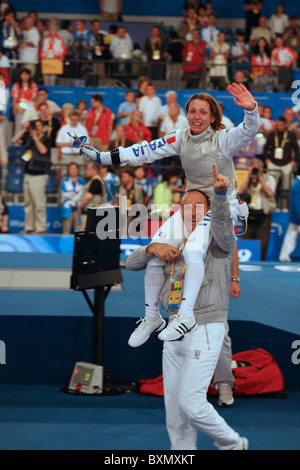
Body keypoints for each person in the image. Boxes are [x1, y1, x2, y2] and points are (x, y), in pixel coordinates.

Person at [79, 82, 260, 343]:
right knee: (156, 252)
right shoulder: (180, 137)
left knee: (193, 249)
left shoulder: (222, 139)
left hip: (221, 206)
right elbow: (141, 151)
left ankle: (185, 315)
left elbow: (248, 130)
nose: (197, 116)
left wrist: (251, 109)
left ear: (212, 118)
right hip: (194, 204)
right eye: (193, 111)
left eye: (203, 112)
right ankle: (152, 316)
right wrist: (100, 157)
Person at [126, 166, 249, 450]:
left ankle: (232, 444)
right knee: (174, 412)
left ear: (207, 211)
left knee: (191, 404)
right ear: (179, 210)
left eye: (198, 207)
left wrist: (219, 197)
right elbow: (131, 265)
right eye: (186, 206)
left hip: (204, 327)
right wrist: (152, 249)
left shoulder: (216, 236)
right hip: (172, 330)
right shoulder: (172, 234)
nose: (192, 211)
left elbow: (229, 240)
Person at [239, 158, 277, 260]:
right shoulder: (248, 179)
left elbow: (270, 192)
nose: (255, 171)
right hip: (249, 214)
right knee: (245, 239)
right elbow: (241, 191)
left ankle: (261, 262)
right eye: (253, 168)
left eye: (257, 168)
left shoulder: (269, 178)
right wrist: (249, 176)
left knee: (263, 242)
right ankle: (244, 261)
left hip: (263, 213)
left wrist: (260, 178)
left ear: (261, 168)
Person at [18, 120, 51, 234]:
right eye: (34, 127)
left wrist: (36, 138)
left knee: (38, 203)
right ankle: (29, 227)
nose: (36, 129)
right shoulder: (29, 138)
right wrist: (24, 129)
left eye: (38, 126)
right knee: (28, 203)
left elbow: (43, 150)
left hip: (39, 174)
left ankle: (40, 228)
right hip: (28, 173)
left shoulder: (46, 139)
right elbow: (14, 140)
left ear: (42, 127)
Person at [263, 116, 299, 202]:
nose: (279, 127)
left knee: (287, 185)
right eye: (278, 125)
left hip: (287, 164)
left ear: (285, 125)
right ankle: (271, 202)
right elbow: (265, 148)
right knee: (270, 184)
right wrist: (267, 160)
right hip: (273, 164)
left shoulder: (290, 135)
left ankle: (288, 203)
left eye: (281, 125)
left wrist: (294, 161)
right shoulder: (272, 135)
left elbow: (297, 149)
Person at [279, 165, 300, 262]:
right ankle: (284, 256)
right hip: (297, 216)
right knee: (291, 236)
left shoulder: (296, 182)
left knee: (291, 235)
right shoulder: (297, 184)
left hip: (296, 215)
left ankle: (284, 256)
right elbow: (296, 201)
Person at [78, 161, 107, 230]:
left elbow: (88, 197)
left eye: (88, 169)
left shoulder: (96, 181)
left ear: (94, 170)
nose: (86, 171)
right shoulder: (95, 180)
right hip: (93, 214)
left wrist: (80, 206)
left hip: (92, 215)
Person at [60, 162, 86, 234]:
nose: (73, 170)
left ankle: (78, 245)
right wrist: (76, 193)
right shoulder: (64, 180)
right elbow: (65, 194)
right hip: (67, 206)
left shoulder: (82, 181)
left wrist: (73, 194)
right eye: (71, 168)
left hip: (79, 207)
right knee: (66, 230)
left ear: (78, 170)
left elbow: (83, 193)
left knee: (79, 230)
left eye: (75, 168)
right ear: (68, 170)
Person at [10, 67, 38, 133]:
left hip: (30, 108)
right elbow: (14, 98)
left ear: (29, 75)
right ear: (20, 75)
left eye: (26, 74)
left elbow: (35, 97)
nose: (25, 76)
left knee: (30, 126)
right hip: (19, 109)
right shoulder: (16, 85)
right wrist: (14, 109)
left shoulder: (33, 85)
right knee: (19, 126)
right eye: (23, 74)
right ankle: (17, 142)